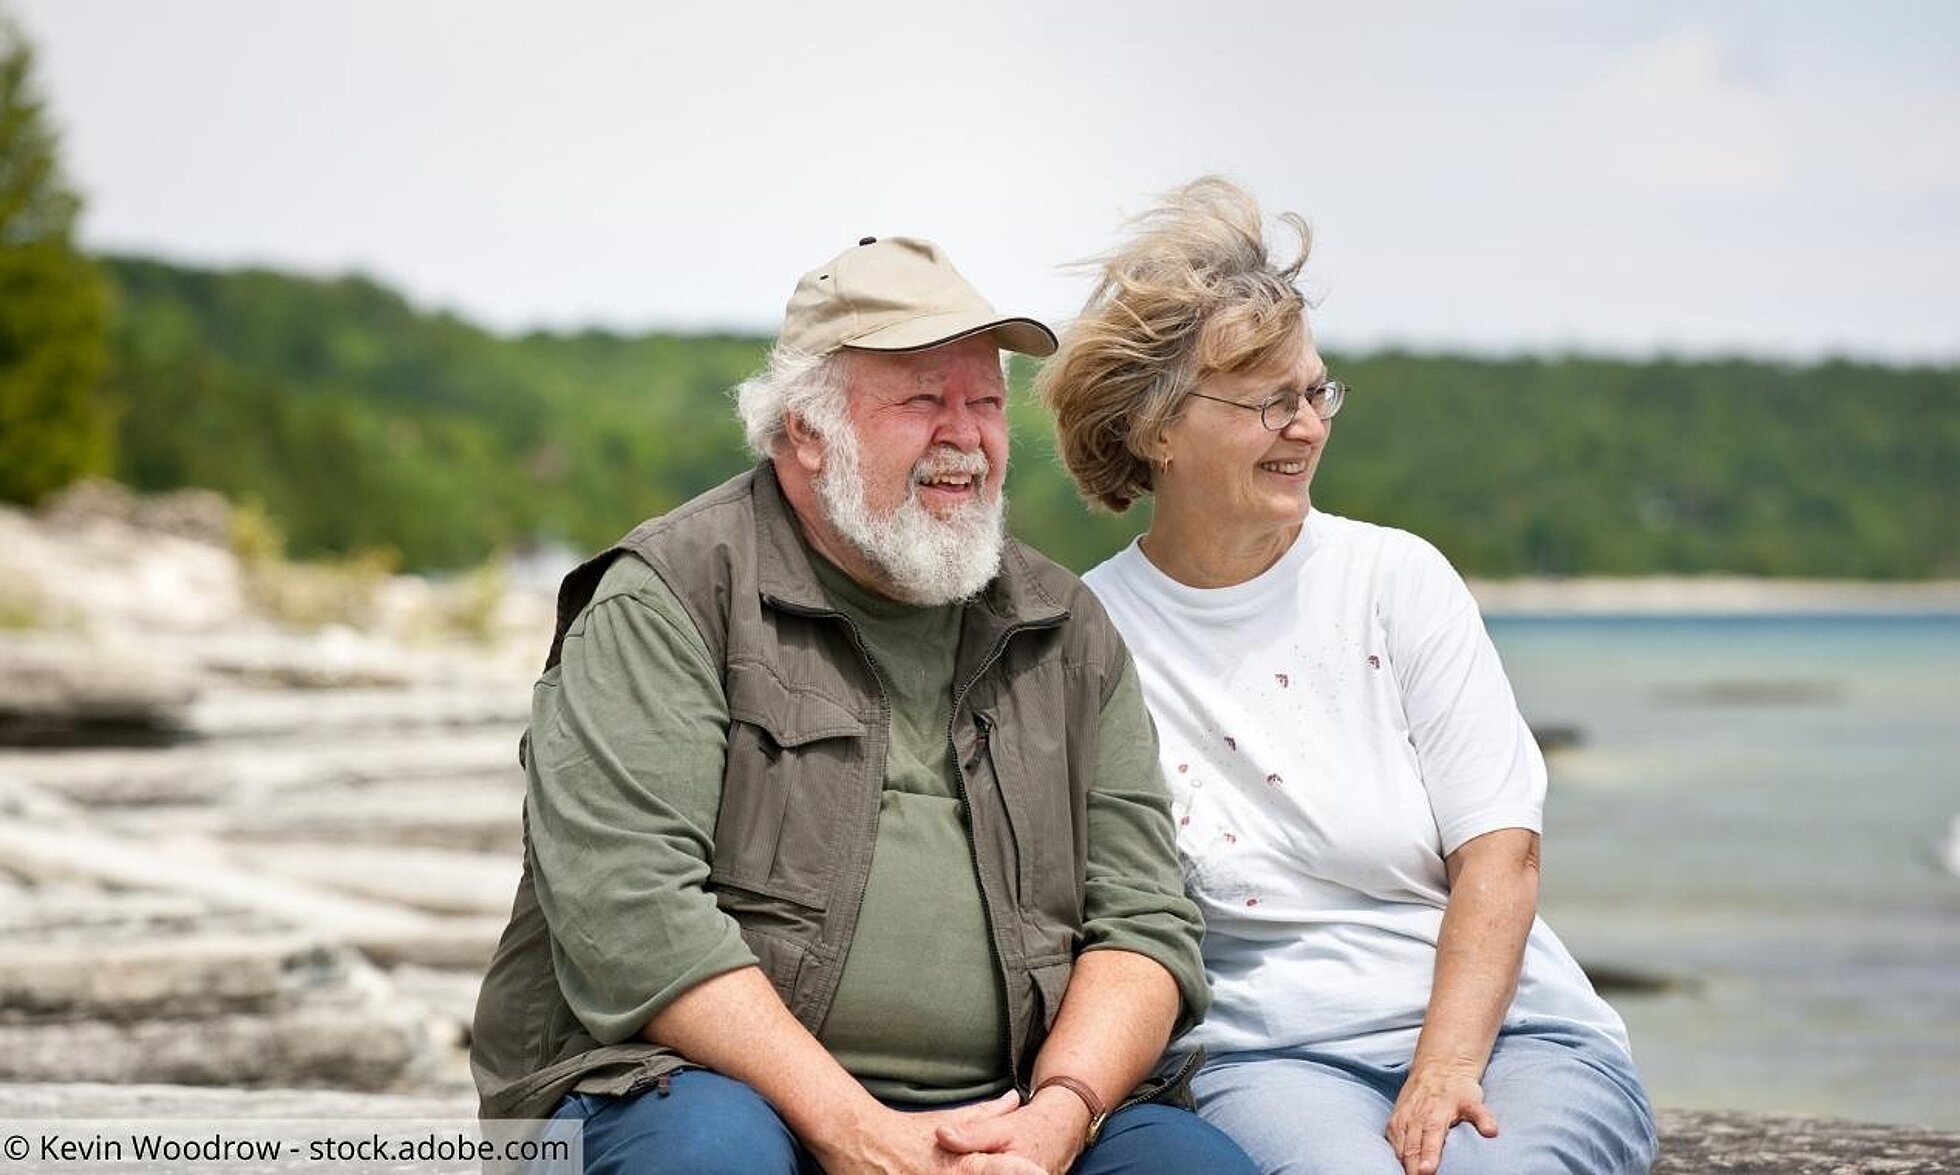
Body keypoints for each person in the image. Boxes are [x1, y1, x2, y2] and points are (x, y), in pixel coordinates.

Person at [470, 235, 1258, 1175]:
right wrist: (858, 1132)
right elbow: (632, 917)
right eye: (924, 400)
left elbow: (1144, 923)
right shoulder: (671, 596)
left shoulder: (1064, 628)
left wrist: (1057, 1119)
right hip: (681, 1086)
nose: (966, 435)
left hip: (1016, 1108)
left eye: (986, 402)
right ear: (806, 430)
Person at [1036, 178, 1658, 1175]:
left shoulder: (1395, 577)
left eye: (1315, 391)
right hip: (1268, 1058)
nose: (1307, 426)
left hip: (1510, 1034)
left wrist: (1444, 1063)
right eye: (1267, 400)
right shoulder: (1084, 635)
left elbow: (1500, 851)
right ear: (1154, 428)